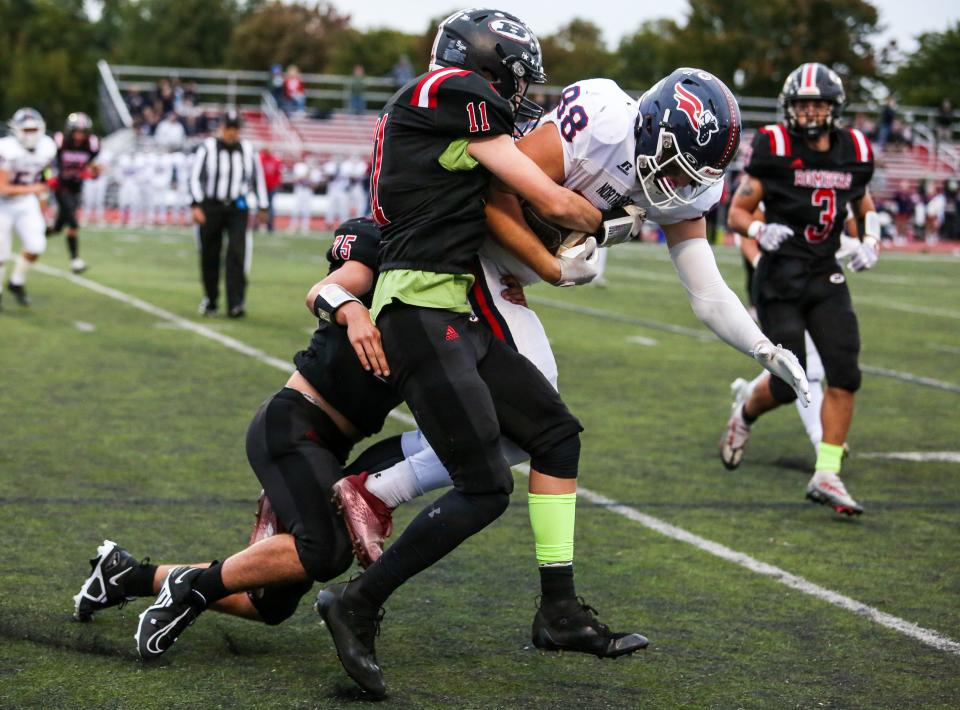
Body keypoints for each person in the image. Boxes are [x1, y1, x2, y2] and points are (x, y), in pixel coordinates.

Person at [333, 72, 809, 578]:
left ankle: (369, 486)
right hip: (468, 257)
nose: (679, 187)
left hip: (508, 275)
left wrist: (762, 348)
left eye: (693, 177)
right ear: (648, 128)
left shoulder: (682, 189)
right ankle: (373, 491)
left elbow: (708, 294)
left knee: (527, 433)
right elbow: (490, 194)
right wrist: (546, 264)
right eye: (675, 168)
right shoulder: (602, 124)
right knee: (543, 423)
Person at [315, 10, 648, 698]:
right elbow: (547, 195)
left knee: (556, 437)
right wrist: (614, 221)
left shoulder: (453, 107)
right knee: (486, 486)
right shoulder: (446, 90)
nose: (520, 97)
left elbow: (516, 194)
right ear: (487, 65)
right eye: (517, 81)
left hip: (453, 310)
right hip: (416, 308)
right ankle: (357, 602)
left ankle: (558, 612)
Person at [70, 219, 400, 660]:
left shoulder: (456, 287)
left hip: (328, 445)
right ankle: (189, 590)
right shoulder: (386, 243)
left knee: (268, 603)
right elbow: (327, 289)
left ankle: (127, 575)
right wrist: (354, 310)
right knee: (326, 551)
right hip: (295, 424)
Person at [720, 63, 879, 516]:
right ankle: (745, 413)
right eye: (803, 104)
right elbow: (737, 211)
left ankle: (827, 473)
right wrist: (756, 227)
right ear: (789, 109)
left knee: (845, 372)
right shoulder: (773, 146)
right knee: (790, 381)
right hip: (780, 278)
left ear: (835, 108)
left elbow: (863, 201)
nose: (811, 113)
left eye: (819, 104)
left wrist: (870, 239)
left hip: (825, 274)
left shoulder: (854, 149)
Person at [189, 110, 268, 317]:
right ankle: (211, 300)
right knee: (210, 254)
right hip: (211, 207)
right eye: (229, 128)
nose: (232, 133)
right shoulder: (208, 147)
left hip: (237, 208)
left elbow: (257, 178)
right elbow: (195, 177)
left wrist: (263, 206)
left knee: (237, 254)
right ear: (221, 128)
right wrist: (196, 204)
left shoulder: (248, 149)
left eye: (236, 129)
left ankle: (236, 303)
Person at [0, 108, 57, 309]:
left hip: (27, 202)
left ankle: (16, 282)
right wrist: (36, 187)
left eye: (34, 129)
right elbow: (2, 188)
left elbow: (45, 175)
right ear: (16, 130)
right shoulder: (6, 149)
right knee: (1, 253)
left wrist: (45, 210)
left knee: (36, 245)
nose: (31, 134)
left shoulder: (47, 147)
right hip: (2, 204)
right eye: (27, 129)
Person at [49, 112, 99, 274]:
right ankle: (76, 261)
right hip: (61, 188)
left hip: (77, 189)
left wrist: (94, 172)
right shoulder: (59, 142)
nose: (79, 136)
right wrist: (49, 178)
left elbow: (92, 169)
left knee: (58, 228)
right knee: (73, 223)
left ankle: (39, 234)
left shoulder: (91, 146)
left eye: (83, 133)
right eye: (76, 132)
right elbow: (46, 164)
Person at [258, 148, 283, 232]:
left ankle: (270, 226)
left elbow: (278, 174)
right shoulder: (260, 159)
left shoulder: (275, 161)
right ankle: (257, 225)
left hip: (271, 187)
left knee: (270, 207)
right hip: (261, 187)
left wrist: (276, 184)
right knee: (259, 206)